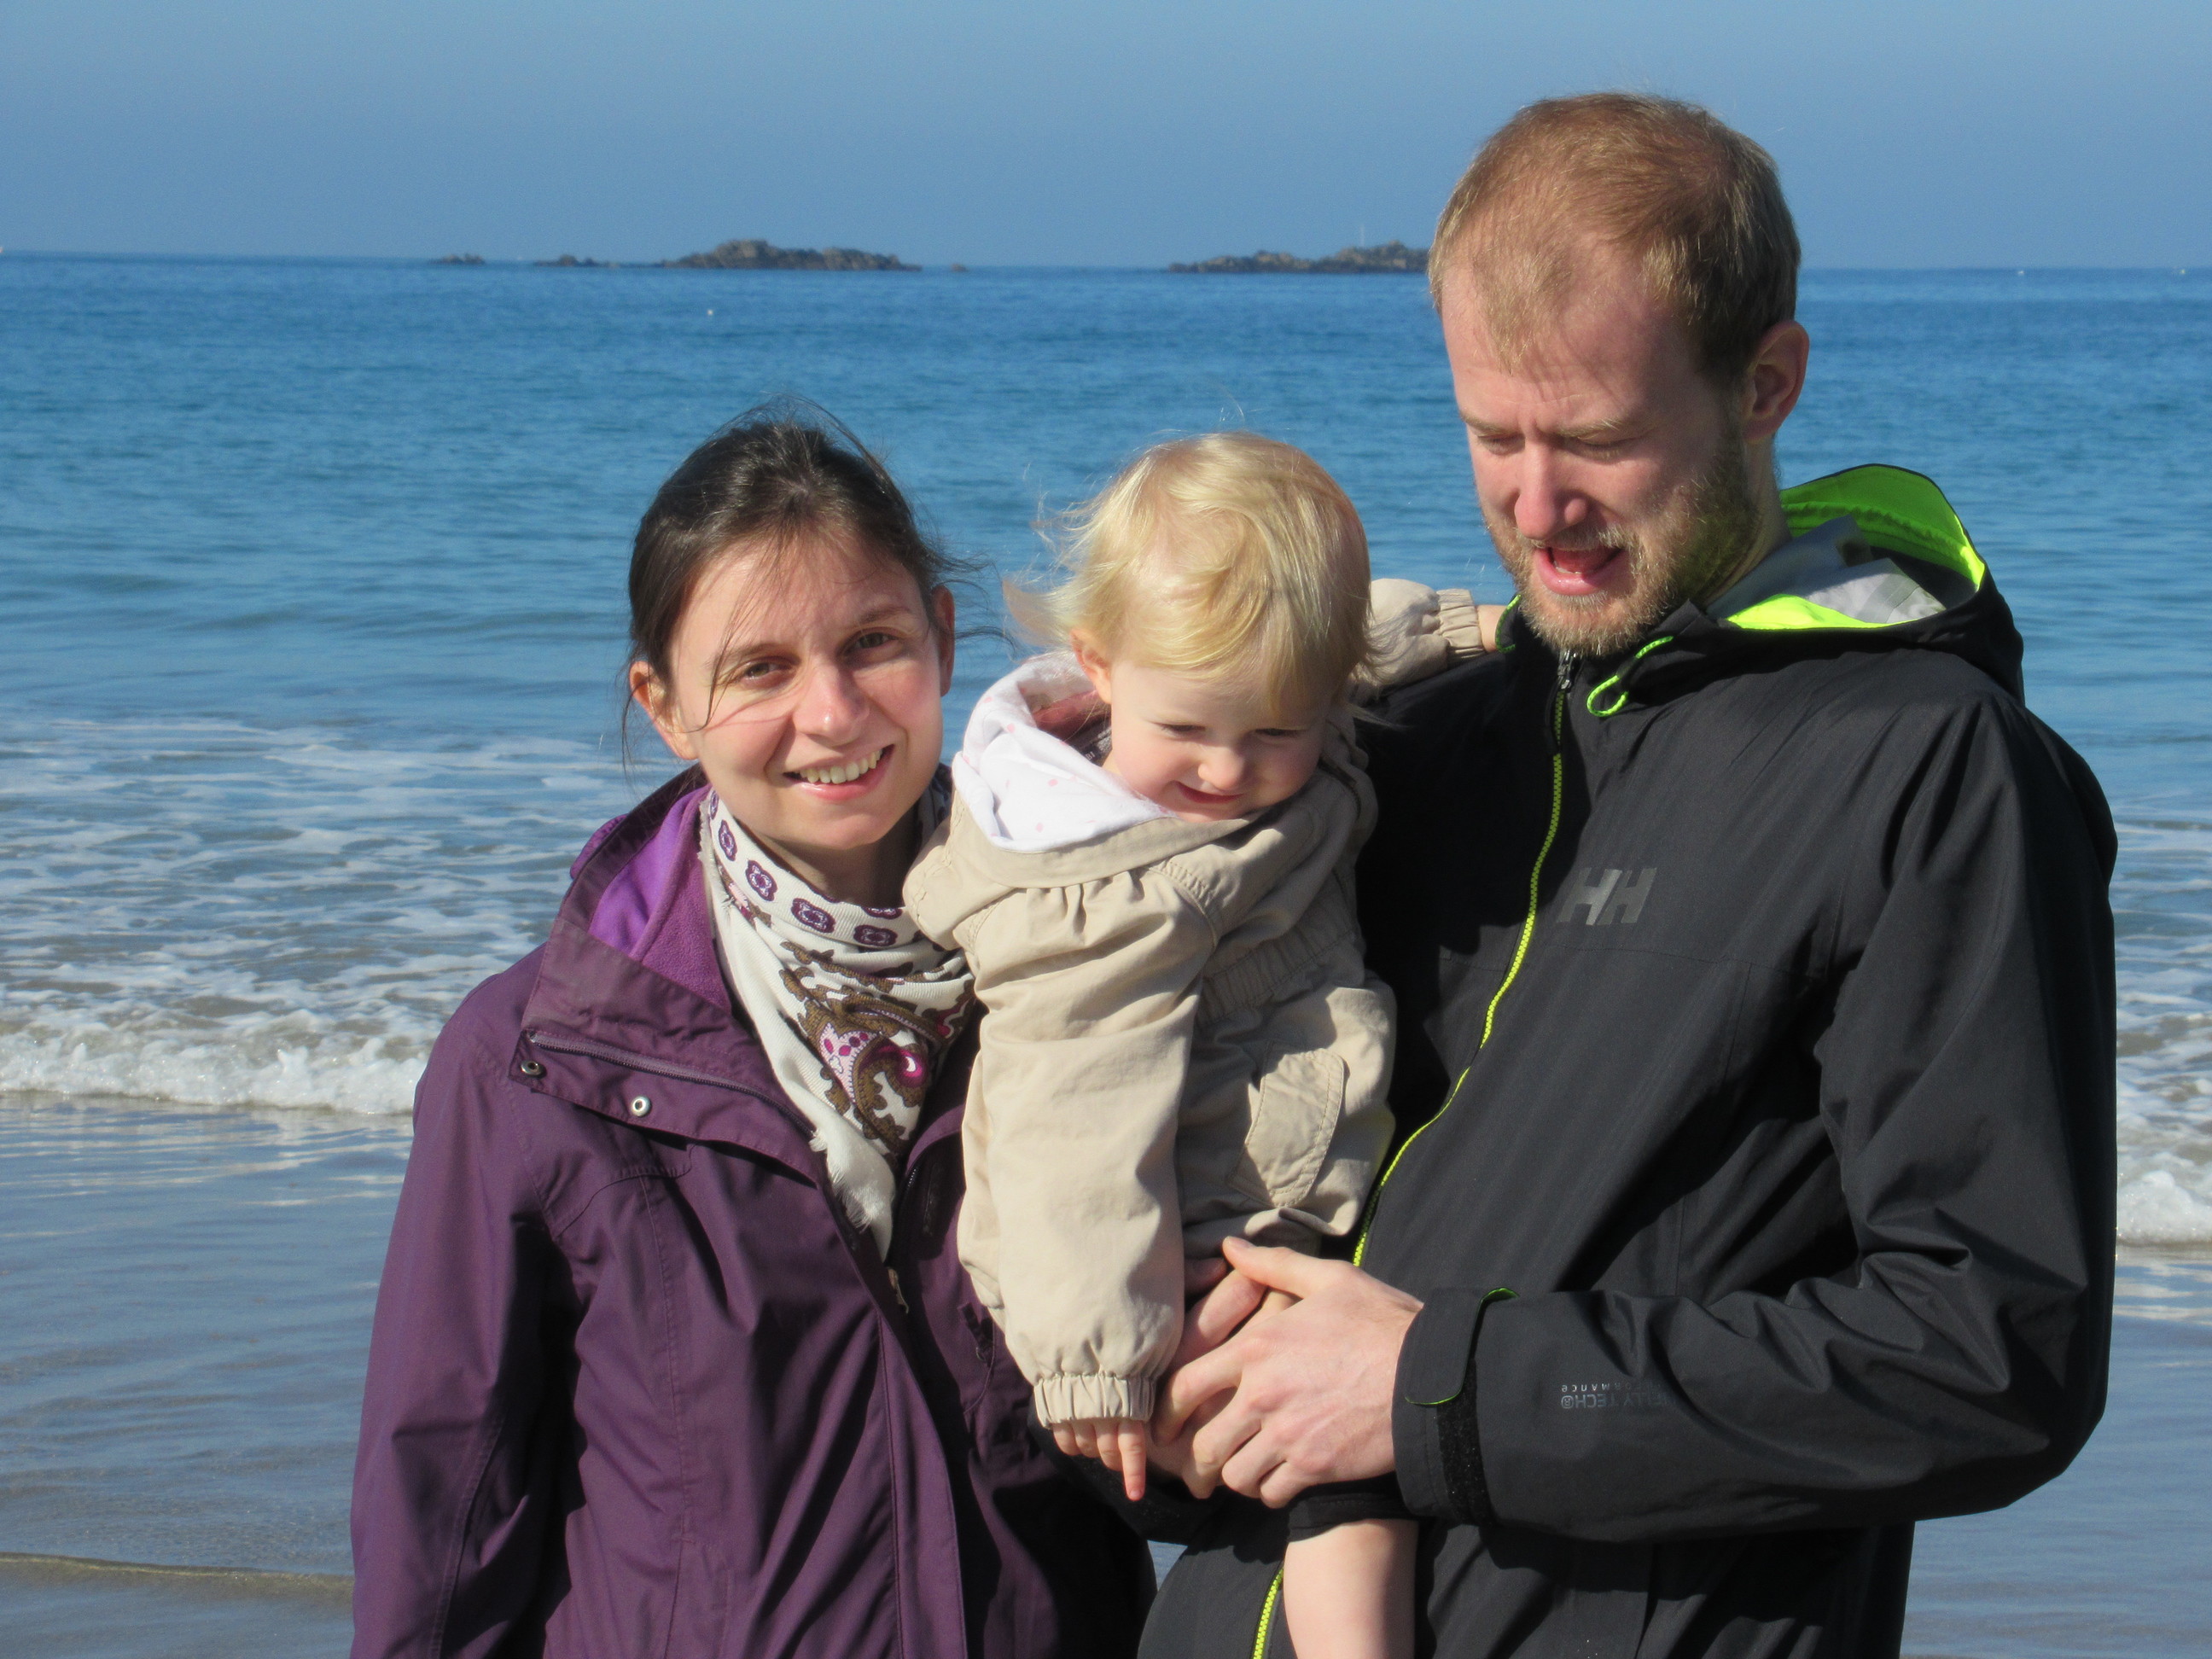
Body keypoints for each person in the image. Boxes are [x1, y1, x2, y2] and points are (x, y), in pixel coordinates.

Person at [1141, 93, 2116, 1658]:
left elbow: (1992, 1350)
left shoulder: (1929, 768)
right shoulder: (1413, 742)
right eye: (1494, 436)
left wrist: (1438, 1392)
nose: (1539, 509)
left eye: (1598, 440)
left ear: (1766, 384)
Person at [348, 409, 1153, 1658]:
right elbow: (445, 1508)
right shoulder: (537, 1058)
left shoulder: (1093, 973)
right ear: (665, 705)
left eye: (872, 644)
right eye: (759, 669)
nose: (831, 714)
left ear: (944, 640)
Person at [905, 432, 1493, 1659]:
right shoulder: (1104, 889)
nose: (1228, 769)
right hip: (1160, 1236)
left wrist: (1471, 627)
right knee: (1347, 1478)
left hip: (1231, 1149)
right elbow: (1075, 1121)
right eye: (1190, 728)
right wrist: (1098, 1362)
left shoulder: (1247, 689)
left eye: (1279, 730)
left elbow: (1358, 640)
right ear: (1097, 664)